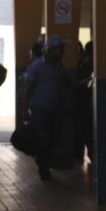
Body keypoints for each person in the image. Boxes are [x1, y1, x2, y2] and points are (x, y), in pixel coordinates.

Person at [22, 35, 70, 181]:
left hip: (55, 108)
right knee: (44, 137)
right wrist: (24, 110)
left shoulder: (59, 66)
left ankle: (43, 160)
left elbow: (65, 83)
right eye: (59, 49)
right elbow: (28, 90)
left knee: (55, 137)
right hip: (39, 108)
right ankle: (43, 165)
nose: (62, 52)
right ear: (50, 50)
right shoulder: (36, 67)